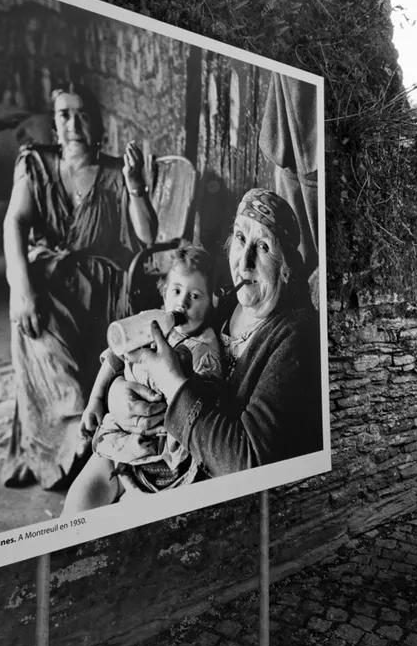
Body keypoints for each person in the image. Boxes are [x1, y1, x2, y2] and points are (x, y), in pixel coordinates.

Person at [64, 188, 321, 509]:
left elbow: (248, 464)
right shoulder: (221, 305)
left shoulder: (296, 335)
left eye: (264, 247)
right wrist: (116, 395)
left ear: (286, 266)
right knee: (79, 504)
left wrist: (170, 382)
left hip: (193, 475)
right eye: (241, 238)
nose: (245, 263)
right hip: (144, 444)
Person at [0, 82, 157, 490]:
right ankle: (70, 435)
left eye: (83, 114)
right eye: (64, 115)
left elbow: (147, 236)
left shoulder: (115, 172)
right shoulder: (36, 164)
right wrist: (20, 288)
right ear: (55, 125)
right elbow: (15, 222)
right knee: (32, 320)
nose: (73, 124)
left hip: (102, 289)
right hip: (50, 280)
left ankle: (80, 436)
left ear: (99, 124)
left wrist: (135, 184)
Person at [63, 245, 223, 513]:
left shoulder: (205, 348)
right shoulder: (151, 324)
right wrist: (96, 399)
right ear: (164, 292)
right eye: (176, 291)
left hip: (163, 450)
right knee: (80, 500)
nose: (183, 303)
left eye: (195, 296)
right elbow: (115, 356)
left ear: (211, 303)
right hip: (122, 433)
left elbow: (203, 404)